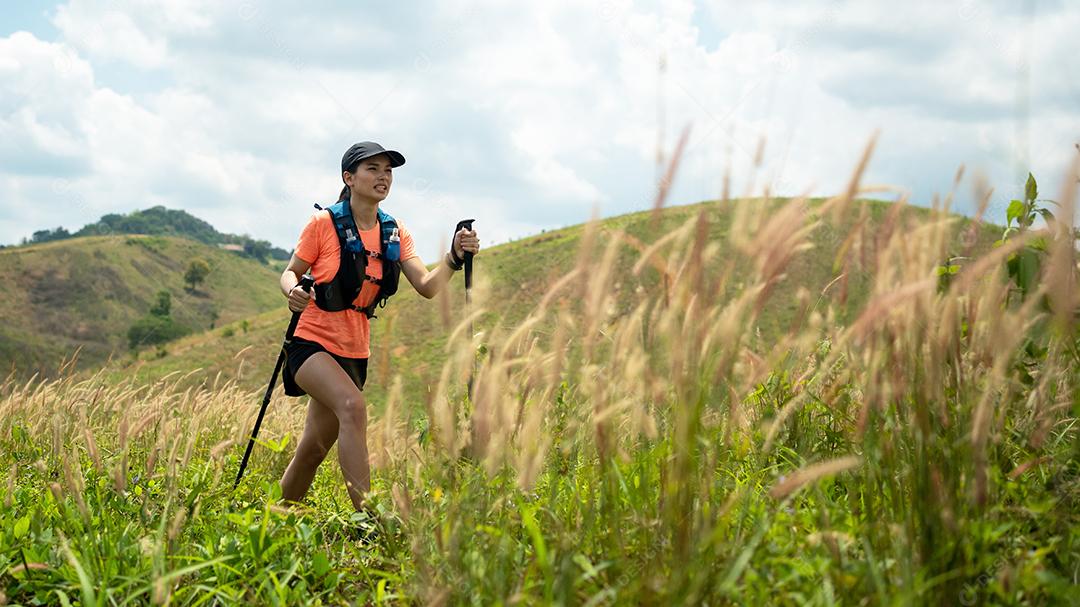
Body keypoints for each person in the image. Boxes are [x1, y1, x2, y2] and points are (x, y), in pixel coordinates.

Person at [277, 141, 480, 511]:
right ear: (349, 178)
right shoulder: (323, 224)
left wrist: (453, 256)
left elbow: (427, 287)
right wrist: (293, 292)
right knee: (353, 407)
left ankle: (278, 516)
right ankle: (370, 518)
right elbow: (291, 272)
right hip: (311, 343)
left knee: (315, 448)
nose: (383, 176)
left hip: (355, 352)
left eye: (387, 170)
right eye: (372, 169)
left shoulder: (395, 231)